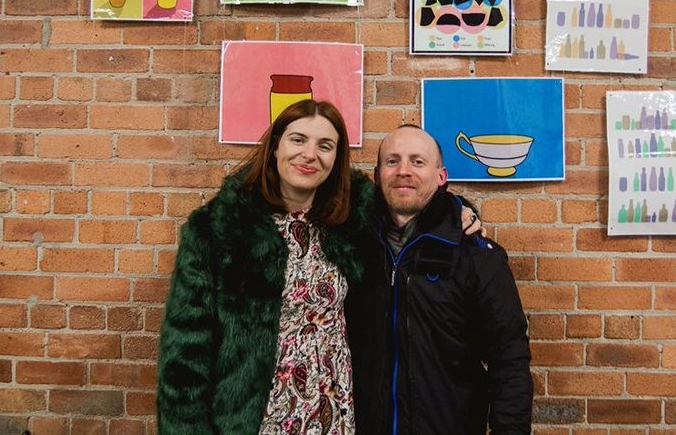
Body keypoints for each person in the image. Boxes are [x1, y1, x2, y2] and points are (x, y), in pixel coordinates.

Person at [157, 102, 481, 434]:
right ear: (275, 147)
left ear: (336, 159)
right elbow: (184, 357)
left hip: (335, 414)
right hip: (254, 419)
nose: (310, 154)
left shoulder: (354, 216)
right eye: (298, 140)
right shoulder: (220, 230)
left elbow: (413, 202)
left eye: (325, 146)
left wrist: (457, 210)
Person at [346, 124, 533, 435]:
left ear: (441, 177)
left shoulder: (476, 255)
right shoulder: (350, 248)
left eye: (417, 162)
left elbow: (509, 359)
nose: (403, 170)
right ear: (376, 176)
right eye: (392, 161)